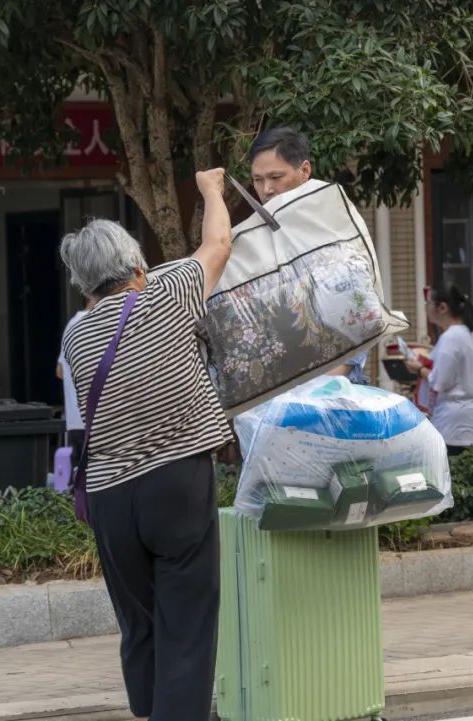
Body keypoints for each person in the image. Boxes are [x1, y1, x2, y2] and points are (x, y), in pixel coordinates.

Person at [59, 168, 234, 721]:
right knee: (187, 619)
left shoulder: (73, 333)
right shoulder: (168, 292)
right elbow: (219, 243)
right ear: (138, 265)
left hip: (111, 499)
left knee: (141, 622)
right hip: (175, 482)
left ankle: (148, 710)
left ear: (83, 286)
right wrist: (209, 188)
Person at [248, 126, 368, 383]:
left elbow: (359, 315)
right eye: (258, 180)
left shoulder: (332, 227)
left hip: (330, 392)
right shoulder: (260, 236)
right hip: (273, 395)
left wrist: (314, 392)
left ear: (304, 171)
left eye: (276, 177)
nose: (266, 189)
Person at [404, 284, 473, 455]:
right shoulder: (465, 333)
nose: (426, 308)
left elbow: (440, 381)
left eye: (428, 304)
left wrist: (419, 369)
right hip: (466, 420)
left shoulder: (451, 337)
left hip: (455, 423)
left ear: (442, 308)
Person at [56, 309, 88, 460]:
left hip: (76, 420)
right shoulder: (97, 323)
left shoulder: (73, 325)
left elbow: (60, 371)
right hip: (101, 421)